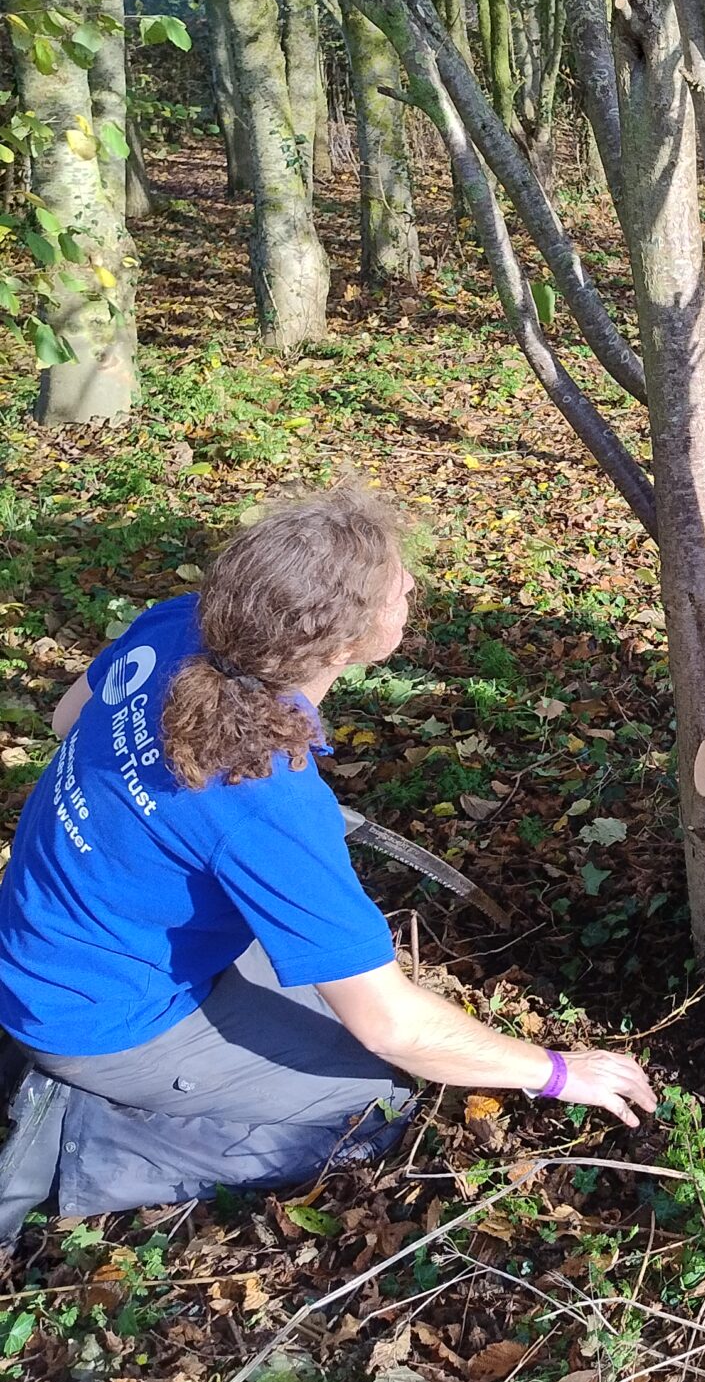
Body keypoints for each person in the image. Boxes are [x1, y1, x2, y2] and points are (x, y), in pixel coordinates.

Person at [0, 485, 654, 1231]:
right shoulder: (269, 809)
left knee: (326, 1011)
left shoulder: (182, 623)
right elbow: (393, 1027)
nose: (409, 585)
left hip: (45, 929)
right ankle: (86, 1142)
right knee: (371, 1102)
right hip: (96, 1019)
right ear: (348, 642)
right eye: (396, 587)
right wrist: (560, 1072)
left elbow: (65, 718)